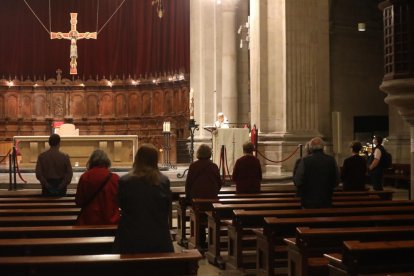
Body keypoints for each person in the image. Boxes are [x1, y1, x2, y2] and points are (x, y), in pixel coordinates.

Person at [113, 144, 174, 253]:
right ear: (155, 160)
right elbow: (167, 207)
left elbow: (121, 204)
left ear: (137, 159)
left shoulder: (125, 181)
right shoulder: (163, 181)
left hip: (130, 236)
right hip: (158, 236)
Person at [185, 144, 222, 248]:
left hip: (197, 201)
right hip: (211, 202)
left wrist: (188, 198)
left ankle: (200, 241)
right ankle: (211, 242)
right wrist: (213, 194)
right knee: (209, 216)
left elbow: (189, 183)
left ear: (198, 153)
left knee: (198, 215)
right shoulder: (213, 166)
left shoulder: (194, 166)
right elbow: (219, 183)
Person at [75, 149, 120, 225]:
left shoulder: (85, 177)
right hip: (111, 221)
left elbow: (79, 201)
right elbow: (120, 200)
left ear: (91, 161)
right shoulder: (115, 178)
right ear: (107, 161)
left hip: (89, 221)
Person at [293, 137, 340, 208]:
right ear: (323, 147)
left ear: (311, 147)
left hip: (308, 201)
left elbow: (297, 180)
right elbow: (337, 180)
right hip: (326, 200)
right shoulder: (331, 160)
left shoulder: (305, 160)